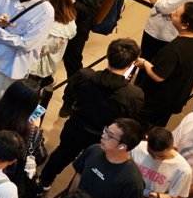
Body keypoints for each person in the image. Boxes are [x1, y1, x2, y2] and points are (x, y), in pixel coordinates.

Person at [41, 39, 144, 190]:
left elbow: (69, 94)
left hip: (76, 127)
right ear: (131, 64)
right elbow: (130, 119)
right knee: (89, 167)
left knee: (61, 155)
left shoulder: (84, 76)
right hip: (105, 138)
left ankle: (43, 183)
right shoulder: (134, 95)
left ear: (108, 55)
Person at [136, 2, 193, 127]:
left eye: (176, 14)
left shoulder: (175, 49)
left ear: (185, 25)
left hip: (157, 101)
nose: (172, 14)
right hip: (176, 98)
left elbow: (158, 76)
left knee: (140, 127)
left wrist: (144, 63)